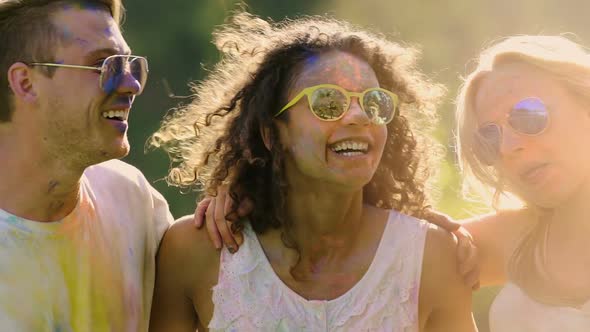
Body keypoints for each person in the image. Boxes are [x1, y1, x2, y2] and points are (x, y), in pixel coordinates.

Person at [149, 11, 477, 331]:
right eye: (328, 102)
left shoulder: (431, 257)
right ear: (272, 133)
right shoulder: (195, 252)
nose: (359, 116)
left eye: (374, 102)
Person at [0, 1, 172, 330]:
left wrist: (234, 207)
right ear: (25, 83)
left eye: (129, 65)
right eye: (104, 66)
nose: (131, 85)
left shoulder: (130, 196)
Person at [454, 35, 590, 331]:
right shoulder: (518, 238)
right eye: (489, 138)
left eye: (528, 115)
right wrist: (433, 231)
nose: (507, 147)